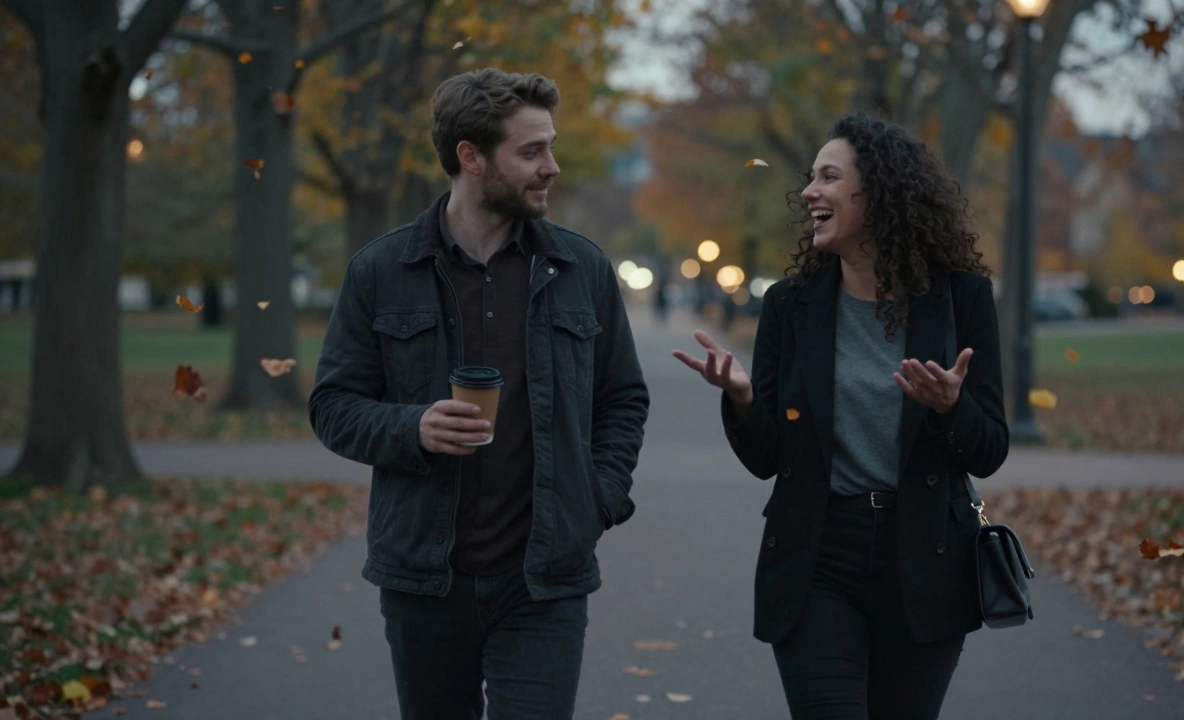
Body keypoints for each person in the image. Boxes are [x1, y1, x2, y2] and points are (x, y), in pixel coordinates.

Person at [309, 68, 649, 720]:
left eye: (550, 146)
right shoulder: (381, 271)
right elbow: (333, 405)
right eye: (531, 151)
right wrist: (413, 428)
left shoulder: (583, 270)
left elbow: (622, 400)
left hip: (545, 582)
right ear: (471, 156)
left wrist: (595, 500)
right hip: (425, 580)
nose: (552, 166)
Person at [672, 112, 1008, 719]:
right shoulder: (790, 305)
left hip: (924, 559)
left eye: (828, 177)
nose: (808, 192)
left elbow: (989, 449)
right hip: (817, 556)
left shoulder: (961, 298)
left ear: (877, 193)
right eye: (811, 177)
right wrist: (744, 400)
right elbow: (767, 458)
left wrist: (951, 408)